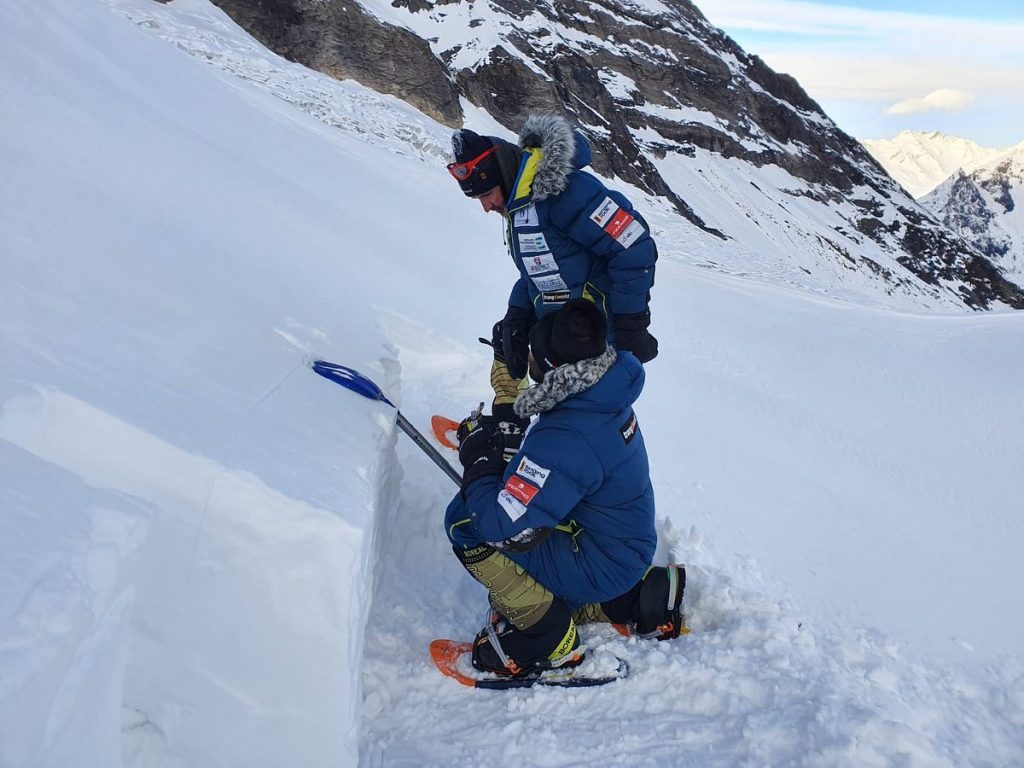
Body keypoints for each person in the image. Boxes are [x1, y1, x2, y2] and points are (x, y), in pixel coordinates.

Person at [443, 299, 684, 677]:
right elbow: (556, 468)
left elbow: (498, 522)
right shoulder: (602, 390)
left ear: (553, 370)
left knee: (463, 521)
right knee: (518, 509)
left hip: (603, 561)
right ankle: (621, 601)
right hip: (621, 545)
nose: (528, 361)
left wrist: (477, 458)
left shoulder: (569, 435)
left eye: (533, 356)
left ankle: (546, 636)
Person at [447, 114, 660, 383]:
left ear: (504, 171)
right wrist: (518, 314)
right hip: (560, 341)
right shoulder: (521, 210)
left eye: (487, 194)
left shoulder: (566, 192)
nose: (486, 207)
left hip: (596, 339)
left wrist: (632, 322)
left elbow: (633, 247)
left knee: (593, 415)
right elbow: (541, 272)